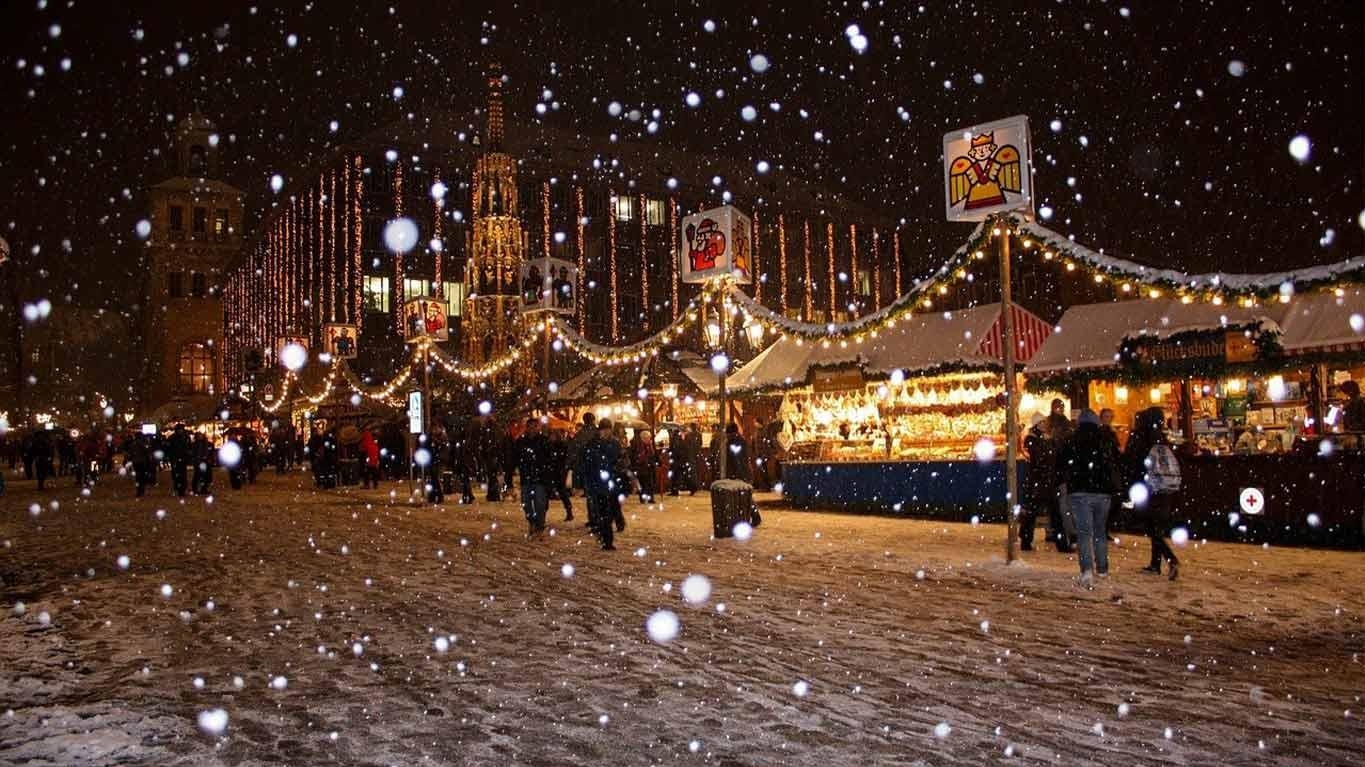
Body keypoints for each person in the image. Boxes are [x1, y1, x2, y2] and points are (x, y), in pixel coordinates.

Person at [1057, 409, 1119, 588]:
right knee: (1100, 531)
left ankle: (1086, 570)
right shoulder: (1105, 440)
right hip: (1102, 492)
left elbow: (1061, 464)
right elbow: (1114, 463)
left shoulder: (1071, 441)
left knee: (1084, 533)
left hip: (1079, 491)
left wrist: (1063, 481)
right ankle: (1102, 568)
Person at [1124, 407, 1181, 580]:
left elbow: (1131, 461)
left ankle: (1170, 559)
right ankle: (1155, 563)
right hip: (1163, 485)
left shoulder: (1139, 436)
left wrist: (1130, 485)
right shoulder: (1161, 437)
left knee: (1149, 525)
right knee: (1157, 525)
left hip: (1146, 486)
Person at [581, 418, 622, 550]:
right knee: (604, 512)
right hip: (598, 483)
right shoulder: (592, 445)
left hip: (611, 482)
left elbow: (620, 460)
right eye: (604, 429)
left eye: (608, 429)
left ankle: (614, 524)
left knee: (612, 508)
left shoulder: (614, 443)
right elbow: (587, 464)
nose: (606, 432)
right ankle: (607, 540)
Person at [1019, 414, 1057, 552]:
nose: (1043, 424)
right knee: (1032, 510)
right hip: (1037, 479)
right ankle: (1026, 539)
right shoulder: (1032, 439)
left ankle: (1055, 535)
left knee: (1048, 509)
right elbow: (1039, 457)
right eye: (1041, 422)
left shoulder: (1043, 438)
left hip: (1043, 479)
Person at [514, 418, 551, 535]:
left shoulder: (543, 441)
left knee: (540, 504)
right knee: (527, 504)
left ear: (538, 427)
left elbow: (549, 458)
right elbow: (515, 457)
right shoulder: (521, 442)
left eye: (535, 426)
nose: (532, 429)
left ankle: (539, 525)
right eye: (530, 426)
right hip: (526, 477)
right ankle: (532, 522)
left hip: (540, 477)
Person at [1046, 413, 1075, 552]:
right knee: (1063, 511)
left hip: (1059, 480)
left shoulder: (1056, 443)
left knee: (1061, 511)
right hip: (1061, 480)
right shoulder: (1063, 442)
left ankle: (1063, 539)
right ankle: (1065, 539)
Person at [547, 427, 573, 521]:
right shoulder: (549, 445)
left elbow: (564, 458)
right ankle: (542, 514)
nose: (551, 437)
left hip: (559, 471)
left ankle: (569, 511)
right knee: (548, 492)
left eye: (553, 435)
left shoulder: (562, 445)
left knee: (562, 492)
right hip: (551, 471)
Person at [568, 413, 596, 497]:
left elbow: (573, 449)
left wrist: (570, 462)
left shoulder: (580, 434)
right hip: (594, 461)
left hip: (583, 462)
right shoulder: (596, 432)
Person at [630, 427, 658, 502]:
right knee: (643, 483)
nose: (649, 439)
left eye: (649, 438)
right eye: (648, 438)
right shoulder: (639, 446)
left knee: (650, 484)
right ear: (643, 438)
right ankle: (643, 498)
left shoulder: (650, 445)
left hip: (649, 467)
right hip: (642, 468)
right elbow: (638, 457)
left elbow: (653, 455)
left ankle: (650, 498)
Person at [166, 423, 192, 497]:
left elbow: (189, 447)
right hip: (175, 458)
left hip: (183, 458)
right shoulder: (172, 438)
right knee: (176, 475)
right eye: (179, 429)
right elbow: (168, 448)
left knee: (183, 474)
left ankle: (182, 489)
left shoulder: (186, 437)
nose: (180, 431)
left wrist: (188, 454)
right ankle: (178, 488)